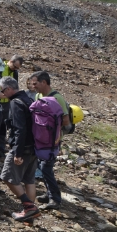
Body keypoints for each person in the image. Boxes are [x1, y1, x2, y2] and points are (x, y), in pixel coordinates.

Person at [0, 76, 39, 222]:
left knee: (7, 176)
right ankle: (30, 214)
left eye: (3, 91)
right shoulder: (28, 99)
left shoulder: (16, 103)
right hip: (34, 146)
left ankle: (29, 208)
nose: (2, 94)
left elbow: (20, 129)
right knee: (29, 180)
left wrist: (17, 153)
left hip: (23, 147)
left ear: (9, 89)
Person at [30, 71, 71, 211]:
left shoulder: (57, 98)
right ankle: (49, 194)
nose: (33, 86)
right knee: (42, 166)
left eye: (35, 83)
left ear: (44, 82)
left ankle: (55, 198)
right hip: (40, 140)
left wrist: (52, 131)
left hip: (53, 141)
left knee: (46, 168)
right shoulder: (38, 96)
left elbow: (66, 120)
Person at [0, 55, 24, 161]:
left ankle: (0, 149)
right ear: (11, 61)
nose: (15, 69)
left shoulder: (15, 73)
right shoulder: (0, 68)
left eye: (17, 68)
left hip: (7, 103)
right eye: (15, 66)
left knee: (3, 126)